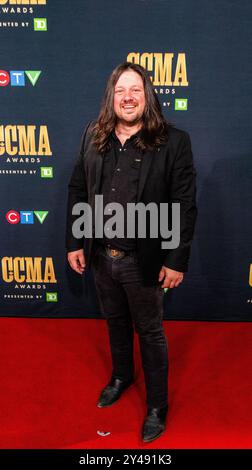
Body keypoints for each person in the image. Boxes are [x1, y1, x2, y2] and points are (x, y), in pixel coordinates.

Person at [66, 62, 197, 443]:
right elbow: (77, 188)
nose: (128, 97)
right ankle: (122, 375)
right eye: (121, 90)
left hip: (145, 261)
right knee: (115, 323)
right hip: (102, 257)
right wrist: (76, 240)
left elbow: (184, 204)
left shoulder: (174, 141)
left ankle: (157, 405)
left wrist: (176, 260)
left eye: (136, 90)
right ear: (112, 96)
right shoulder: (94, 134)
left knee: (151, 333)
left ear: (148, 96)